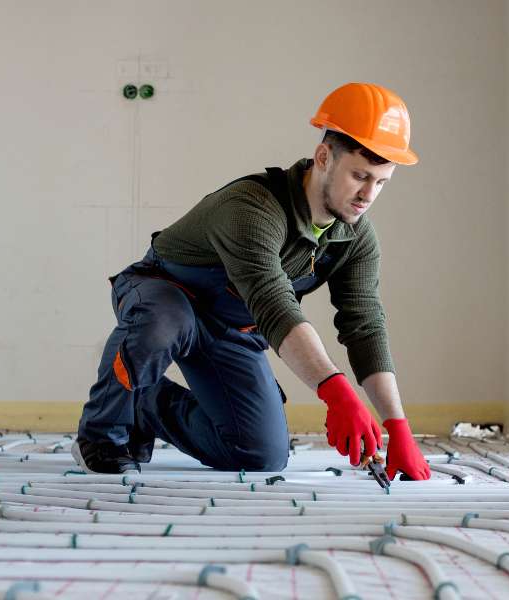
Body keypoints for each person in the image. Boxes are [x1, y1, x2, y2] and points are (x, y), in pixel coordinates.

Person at [73, 82, 431, 482]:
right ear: (324, 156)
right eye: (360, 176)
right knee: (161, 323)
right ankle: (100, 435)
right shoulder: (252, 208)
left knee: (261, 453)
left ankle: (145, 404)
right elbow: (274, 303)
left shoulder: (355, 237)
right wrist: (336, 393)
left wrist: (398, 426)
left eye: (381, 182)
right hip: (165, 293)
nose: (368, 194)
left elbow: (364, 326)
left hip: (230, 328)